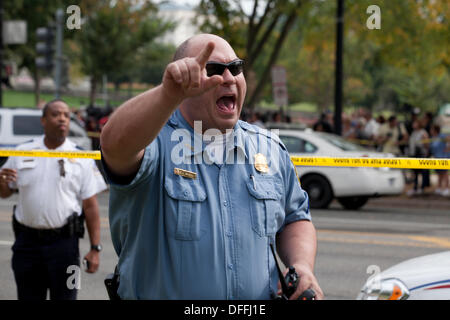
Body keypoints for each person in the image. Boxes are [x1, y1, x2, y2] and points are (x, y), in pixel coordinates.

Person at [100, 34, 323, 300]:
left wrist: (301, 265)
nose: (228, 78)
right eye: (214, 70)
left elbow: (294, 218)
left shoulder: (269, 148)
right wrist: (166, 94)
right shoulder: (154, 143)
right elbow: (114, 145)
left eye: (236, 68)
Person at [0, 99, 107, 300]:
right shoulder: (22, 152)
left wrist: (95, 248)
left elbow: (91, 206)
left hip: (66, 247)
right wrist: (3, 182)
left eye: (66, 115)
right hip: (27, 245)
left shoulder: (81, 157)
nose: (62, 119)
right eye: (56, 114)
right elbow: (5, 192)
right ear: (43, 120)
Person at [407, 119, 429, 196]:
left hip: (421, 155)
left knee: (422, 172)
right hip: (414, 154)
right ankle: (415, 187)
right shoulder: (413, 133)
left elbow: (426, 145)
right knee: (415, 172)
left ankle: (422, 188)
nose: (413, 125)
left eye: (415, 123)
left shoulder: (423, 133)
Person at [429, 124, 449, 196]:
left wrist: (447, 149)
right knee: (439, 174)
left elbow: (448, 140)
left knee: (445, 174)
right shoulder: (433, 138)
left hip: (443, 157)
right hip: (436, 158)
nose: (430, 131)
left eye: (432, 129)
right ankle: (439, 188)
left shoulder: (442, 136)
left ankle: (447, 188)